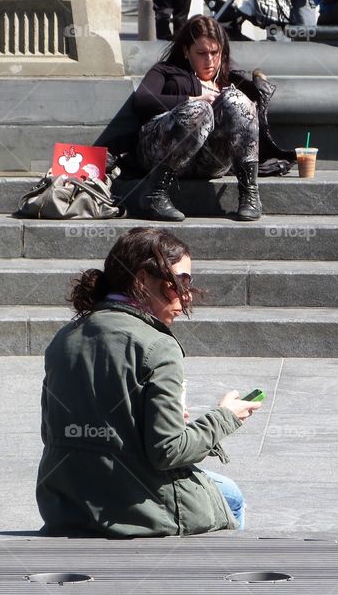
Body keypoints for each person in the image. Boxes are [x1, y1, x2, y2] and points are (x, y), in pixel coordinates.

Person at [36, 227, 261, 538]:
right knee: (231, 496)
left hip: (67, 506)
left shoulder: (65, 337)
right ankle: (217, 580)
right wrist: (224, 417)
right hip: (137, 512)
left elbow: (55, 432)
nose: (186, 293)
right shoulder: (157, 347)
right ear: (142, 280)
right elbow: (168, 450)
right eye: (181, 280)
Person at [132, 14, 264, 222]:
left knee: (237, 100)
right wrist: (192, 99)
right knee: (199, 109)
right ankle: (154, 195)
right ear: (186, 51)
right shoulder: (166, 71)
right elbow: (141, 100)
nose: (209, 60)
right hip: (160, 151)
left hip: (210, 160)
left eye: (214, 52)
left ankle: (249, 193)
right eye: (201, 53)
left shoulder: (234, 79)